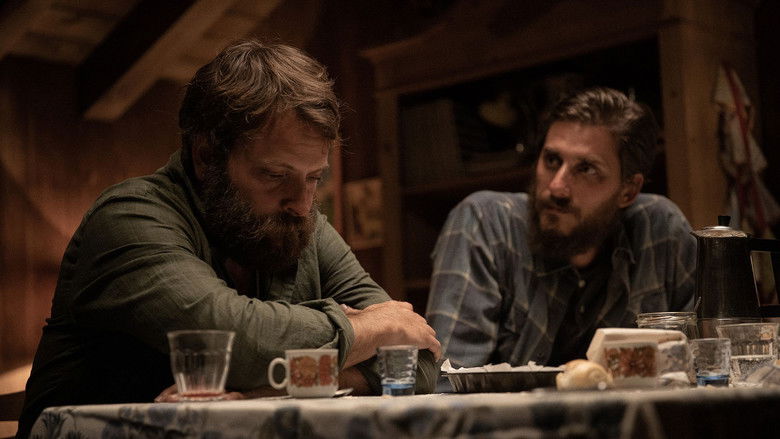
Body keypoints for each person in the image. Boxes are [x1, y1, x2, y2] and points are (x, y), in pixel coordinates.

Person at [17, 40, 440, 437]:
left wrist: (266, 390)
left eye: (314, 177)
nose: (301, 202)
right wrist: (367, 328)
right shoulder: (128, 217)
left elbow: (416, 363)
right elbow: (232, 341)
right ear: (207, 156)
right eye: (274, 175)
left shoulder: (302, 224)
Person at [425, 87, 696, 372]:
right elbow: (449, 377)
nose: (556, 187)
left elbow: (703, 364)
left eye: (586, 169)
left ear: (628, 191)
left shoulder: (660, 230)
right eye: (552, 160)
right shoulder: (486, 223)